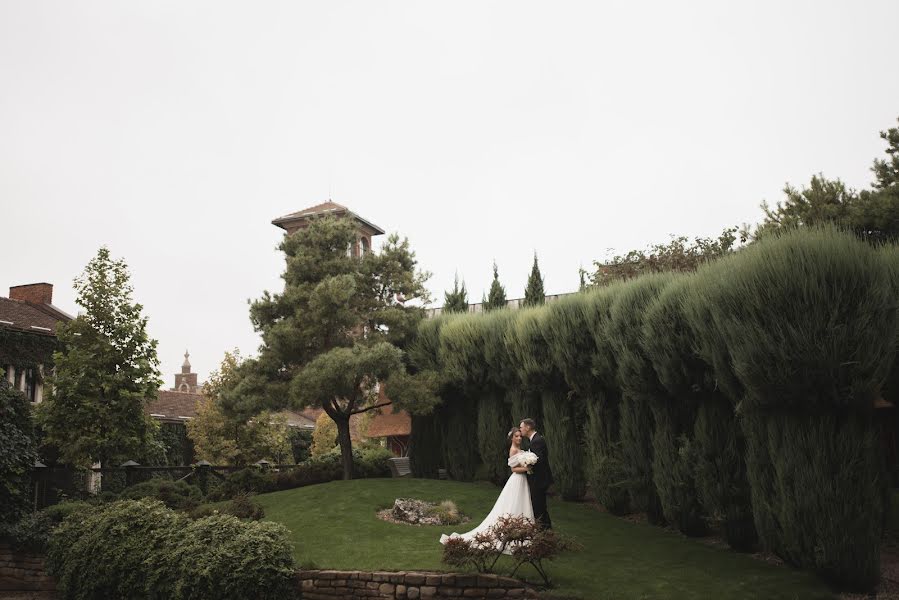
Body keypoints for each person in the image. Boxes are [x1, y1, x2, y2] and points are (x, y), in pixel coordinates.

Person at [439, 427, 534, 550]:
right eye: (516, 436)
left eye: (520, 436)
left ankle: (522, 533)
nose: (519, 438)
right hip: (517, 479)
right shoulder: (513, 450)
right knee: (513, 504)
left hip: (522, 480)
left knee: (522, 503)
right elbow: (513, 469)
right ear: (511, 438)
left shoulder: (519, 449)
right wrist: (527, 468)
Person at [519, 418, 553, 529]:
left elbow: (539, 462)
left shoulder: (536, 441)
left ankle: (543, 531)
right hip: (539, 479)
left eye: (521, 427)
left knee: (539, 507)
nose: (520, 430)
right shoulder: (535, 440)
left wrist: (527, 464)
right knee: (541, 507)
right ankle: (547, 530)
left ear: (528, 427)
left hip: (539, 480)